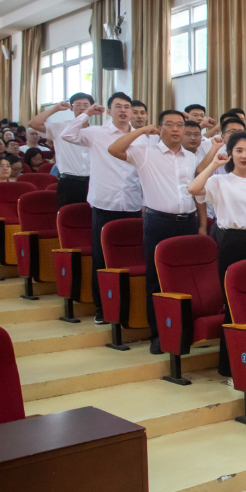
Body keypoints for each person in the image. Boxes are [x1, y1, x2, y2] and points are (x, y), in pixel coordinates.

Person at [108, 110, 206, 354]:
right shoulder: (145, 153)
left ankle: (183, 333)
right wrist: (142, 130)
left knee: (185, 279)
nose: (176, 129)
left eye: (179, 125)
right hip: (159, 223)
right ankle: (158, 334)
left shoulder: (191, 157)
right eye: (169, 125)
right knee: (157, 279)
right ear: (160, 128)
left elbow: (198, 192)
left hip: (188, 222)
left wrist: (202, 224)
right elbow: (114, 149)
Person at [189, 132, 246, 376]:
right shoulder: (220, 181)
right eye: (239, 150)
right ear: (230, 154)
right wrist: (213, 165)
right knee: (233, 304)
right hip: (231, 243)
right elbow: (193, 188)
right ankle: (230, 366)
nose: (244, 155)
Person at [61, 93, 144, 326]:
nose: (123, 110)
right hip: (106, 204)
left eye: (127, 107)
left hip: (133, 203)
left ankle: (128, 308)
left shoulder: (141, 137)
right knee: (102, 257)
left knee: (132, 257)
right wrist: (86, 113)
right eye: (118, 107)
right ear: (108, 111)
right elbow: (68, 134)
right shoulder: (97, 133)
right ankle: (102, 307)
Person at [30, 93, 94, 206]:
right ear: (71, 108)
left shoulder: (96, 131)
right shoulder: (60, 127)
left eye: (86, 105)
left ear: (92, 108)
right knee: (68, 214)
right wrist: (55, 109)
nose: (82, 108)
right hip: (68, 182)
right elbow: (33, 123)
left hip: (93, 182)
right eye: (78, 104)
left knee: (91, 215)